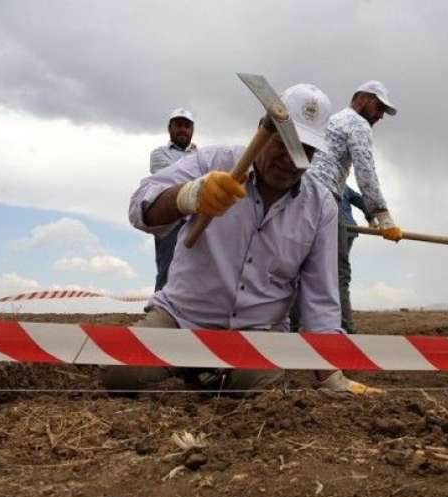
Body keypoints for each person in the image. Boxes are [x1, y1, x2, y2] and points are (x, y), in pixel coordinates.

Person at [111, 83, 383, 395]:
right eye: (283, 142)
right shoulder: (213, 163)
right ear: (261, 131)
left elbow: (320, 298)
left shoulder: (320, 206)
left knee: (260, 389)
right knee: (122, 374)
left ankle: (209, 375)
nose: (291, 160)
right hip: (181, 319)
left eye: (305, 150)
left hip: (257, 336)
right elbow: (139, 206)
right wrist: (187, 196)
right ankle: (195, 369)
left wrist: (330, 375)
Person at [310, 80, 403, 334]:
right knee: (337, 274)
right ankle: (345, 341)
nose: (380, 116)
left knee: (303, 272)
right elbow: (365, 169)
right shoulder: (357, 123)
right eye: (378, 106)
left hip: (304, 194)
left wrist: (368, 211)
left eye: (384, 111)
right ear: (360, 98)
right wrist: (382, 215)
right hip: (324, 200)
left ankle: (292, 340)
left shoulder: (333, 121)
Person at [289, 185, 373, 333]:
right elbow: (361, 200)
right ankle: (345, 327)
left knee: (309, 274)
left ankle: (294, 326)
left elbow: (360, 199)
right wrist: (371, 218)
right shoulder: (339, 185)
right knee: (337, 278)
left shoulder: (314, 185)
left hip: (338, 228)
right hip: (344, 230)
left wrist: (373, 217)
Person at [148, 108, 198, 292]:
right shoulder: (159, 154)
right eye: (178, 125)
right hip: (171, 219)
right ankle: (158, 313)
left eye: (187, 126)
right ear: (170, 128)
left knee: (196, 270)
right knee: (167, 269)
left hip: (196, 220)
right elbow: (170, 180)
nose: (182, 130)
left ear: (192, 130)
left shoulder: (200, 155)